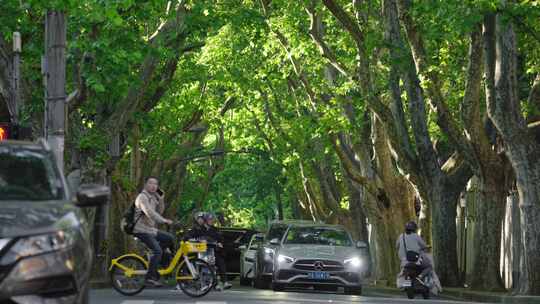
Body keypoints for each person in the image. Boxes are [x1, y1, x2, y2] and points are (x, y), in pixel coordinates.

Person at [133, 177, 175, 287]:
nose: (153, 186)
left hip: (150, 230)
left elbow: (159, 211)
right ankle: (149, 277)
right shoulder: (142, 197)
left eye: (156, 184)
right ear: (145, 185)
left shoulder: (152, 198)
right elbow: (150, 213)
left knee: (169, 238)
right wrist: (164, 221)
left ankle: (157, 262)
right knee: (158, 251)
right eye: (151, 183)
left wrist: (161, 199)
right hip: (140, 230)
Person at [203, 213, 232, 290]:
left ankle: (225, 282)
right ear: (205, 220)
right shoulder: (200, 229)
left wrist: (220, 243)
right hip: (203, 252)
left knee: (220, 262)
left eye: (212, 220)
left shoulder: (215, 229)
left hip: (214, 251)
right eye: (209, 219)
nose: (211, 221)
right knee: (209, 265)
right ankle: (214, 284)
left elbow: (220, 238)